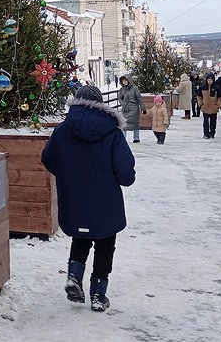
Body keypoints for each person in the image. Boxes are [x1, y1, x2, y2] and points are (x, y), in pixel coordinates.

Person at [41, 85, 135, 313]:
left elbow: (48, 159)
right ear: (100, 103)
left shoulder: (63, 129)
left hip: (74, 197)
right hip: (105, 199)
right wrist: (126, 177)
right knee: (105, 243)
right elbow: (124, 172)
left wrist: (68, 174)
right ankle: (98, 295)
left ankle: (74, 276)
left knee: (81, 237)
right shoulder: (112, 131)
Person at [117, 74, 145, 143]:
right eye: (123, 81)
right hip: (125, 109)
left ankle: (136, 138)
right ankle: (123, 138)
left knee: (135, 123)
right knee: (124, 123)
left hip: (134, 108)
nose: (124, 82)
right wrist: (122, 103)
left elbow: (139, 98)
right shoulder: (122, 89)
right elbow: (120, 97)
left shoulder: (135, 89)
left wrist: (143, 108)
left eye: (126, 80)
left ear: (129, 80)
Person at [198, 73, 221, 139]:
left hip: (213, 108)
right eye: (208, 80)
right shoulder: (203, 87)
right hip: (205, 107)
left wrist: (217, 105)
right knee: (205, 122)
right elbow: (199, 96)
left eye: (211, 80)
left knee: (213, 122)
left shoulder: (217, 87)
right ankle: (206, 133)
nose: (210, 81)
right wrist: (200, 104)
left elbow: (220, 97)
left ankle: (212, 133)